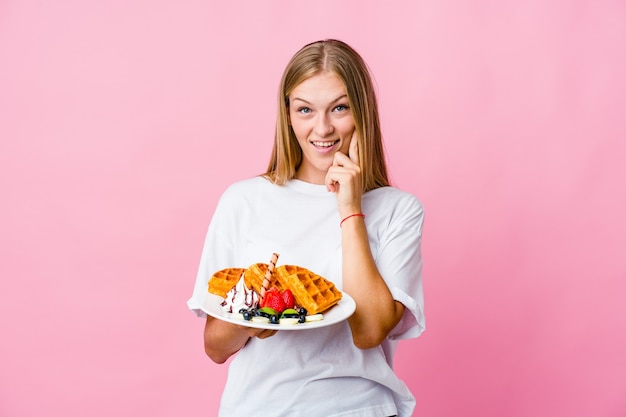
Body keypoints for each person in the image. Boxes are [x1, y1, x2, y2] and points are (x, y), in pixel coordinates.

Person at [187, 39, 425, 417]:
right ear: (288, 116)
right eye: (305, 110)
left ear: (362, 113)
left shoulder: (399, 210)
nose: (323, 127)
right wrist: (253, 321)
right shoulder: (243, 201)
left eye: (340, 108)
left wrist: (350, 209)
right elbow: (215, 347)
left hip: (360, 408)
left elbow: (368, 332)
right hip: (259, 408)